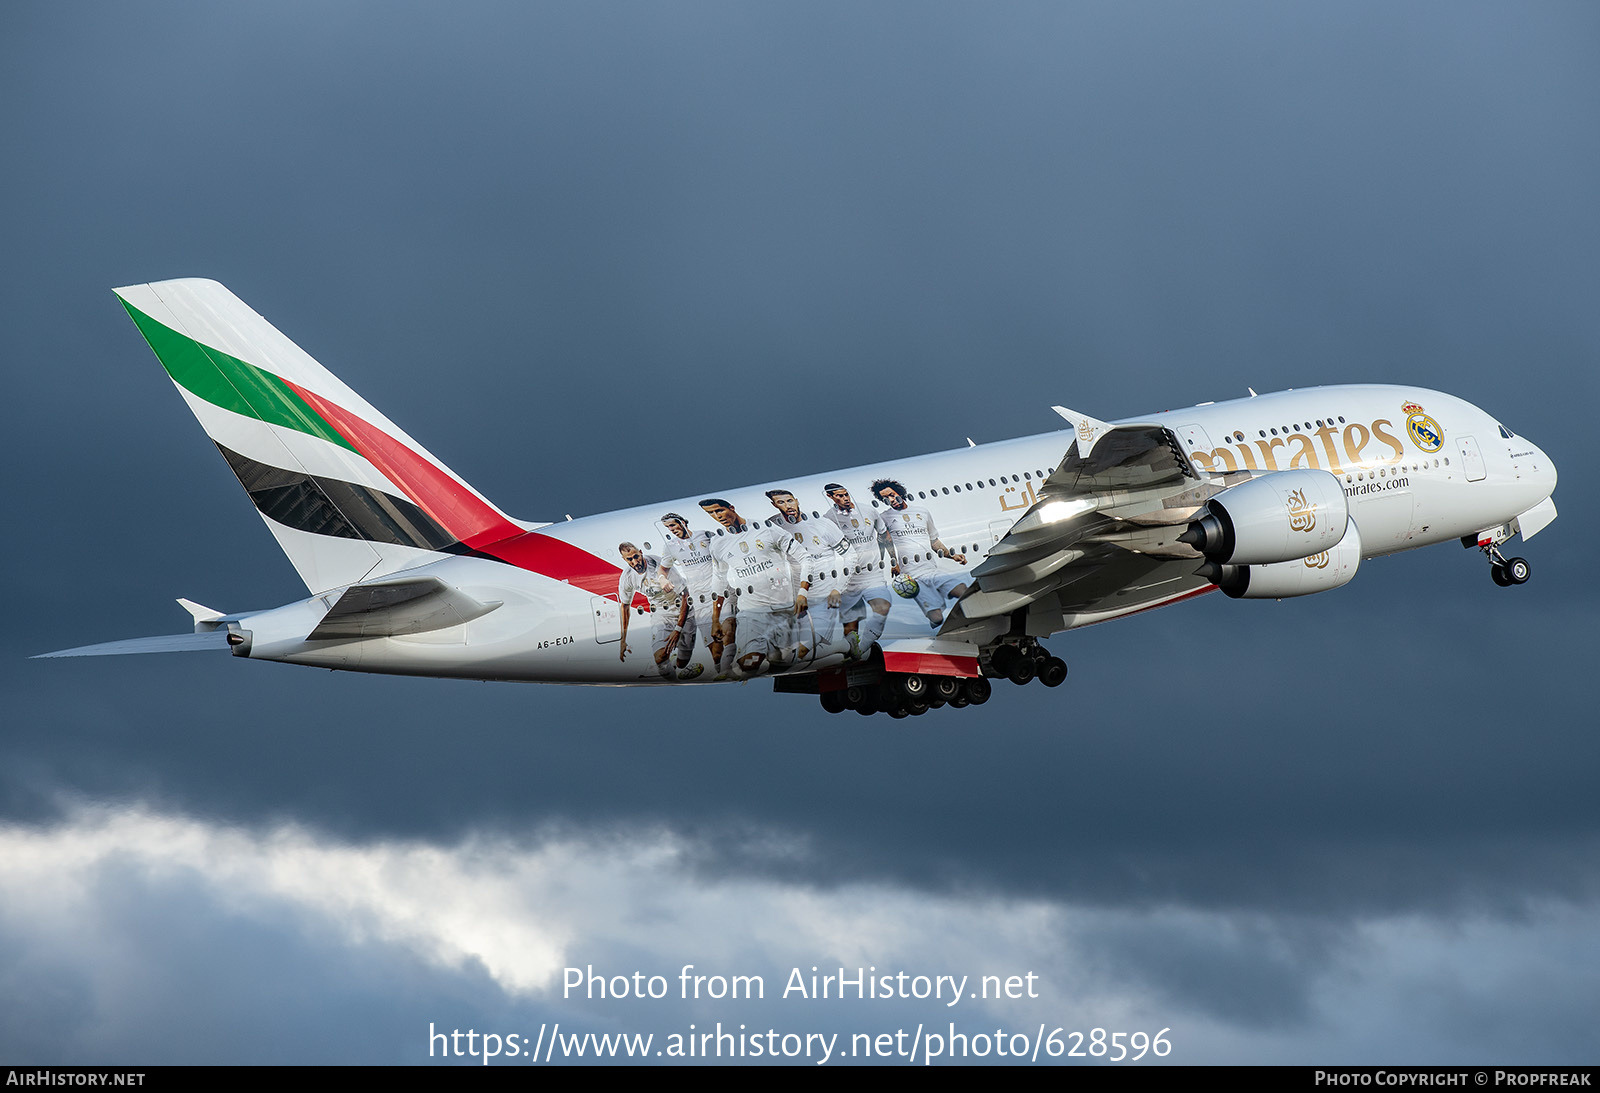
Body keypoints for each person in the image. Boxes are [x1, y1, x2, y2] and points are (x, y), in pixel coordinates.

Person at [699, 498, 809, 676]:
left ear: (732, 508)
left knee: (784, 660)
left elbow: (804, 558)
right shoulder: (718, 544)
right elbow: (719, 585)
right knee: (752, 661)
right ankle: (732, 670)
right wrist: (715, 620)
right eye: (710, 513)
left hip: (783, 610)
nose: (717, 516)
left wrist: (803, 592)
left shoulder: (765, 529)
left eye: (719, 511)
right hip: (751, 614)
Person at [765, 489, 851, 663]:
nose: (787, 506)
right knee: (777, 659)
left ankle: (842, 645)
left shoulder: (821, 524)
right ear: (774, 505)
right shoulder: (772, 526)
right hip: (793, 600)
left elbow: (850, 556)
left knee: (799, 653)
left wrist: (837, 588)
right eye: (781, 503)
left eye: (789, 501)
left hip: (823, 596)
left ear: (796, 500)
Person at [870, 478, 969, 628]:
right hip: (911, 575)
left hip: (930, 569)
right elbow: (885, 542)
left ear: (900, 493)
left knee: (962, 591)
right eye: (885, 499)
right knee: (936, 618)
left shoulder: (922, 512)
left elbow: (934, 541)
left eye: (891, 495)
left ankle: (964, 622)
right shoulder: (885, 518)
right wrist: (893, 563)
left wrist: (951, 556)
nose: (891, 500)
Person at [822, 482, 892, 657]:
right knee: (850, 624)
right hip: (849, 578)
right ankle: (852, 653)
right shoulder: (828, 519)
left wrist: (893, 560)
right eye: (839, 496)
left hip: (872, 573)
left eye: (845, 494)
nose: (845, 498)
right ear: (831, 497)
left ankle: (863, 648)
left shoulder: (867, 510)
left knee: (882, 606)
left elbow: (884, 535)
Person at [657, 512, 730, 679]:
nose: (671, 529)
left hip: (719, 594)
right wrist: (662, 580)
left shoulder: (705, 536)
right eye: (668, 527)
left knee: (729, 635)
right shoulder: (671, 546)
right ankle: (723, 672)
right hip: (700, 601)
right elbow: (663, 569)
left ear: (683, 522)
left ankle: (730, 668)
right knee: (716, 651)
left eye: (673, 525)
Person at [616, 542, 699, 680]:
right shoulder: (627, 577)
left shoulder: (660, 565)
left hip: (682, 611)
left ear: (641, 552)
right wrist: (623, 640)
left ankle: (676, 661)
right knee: (660, 658)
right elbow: (625, 606)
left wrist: (678, 629)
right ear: (624, 560)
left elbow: (685, 595)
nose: (635, 561)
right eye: (629, 559)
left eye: (636, 556)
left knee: (683, 662)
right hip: (661, 613)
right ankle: (675, 685)